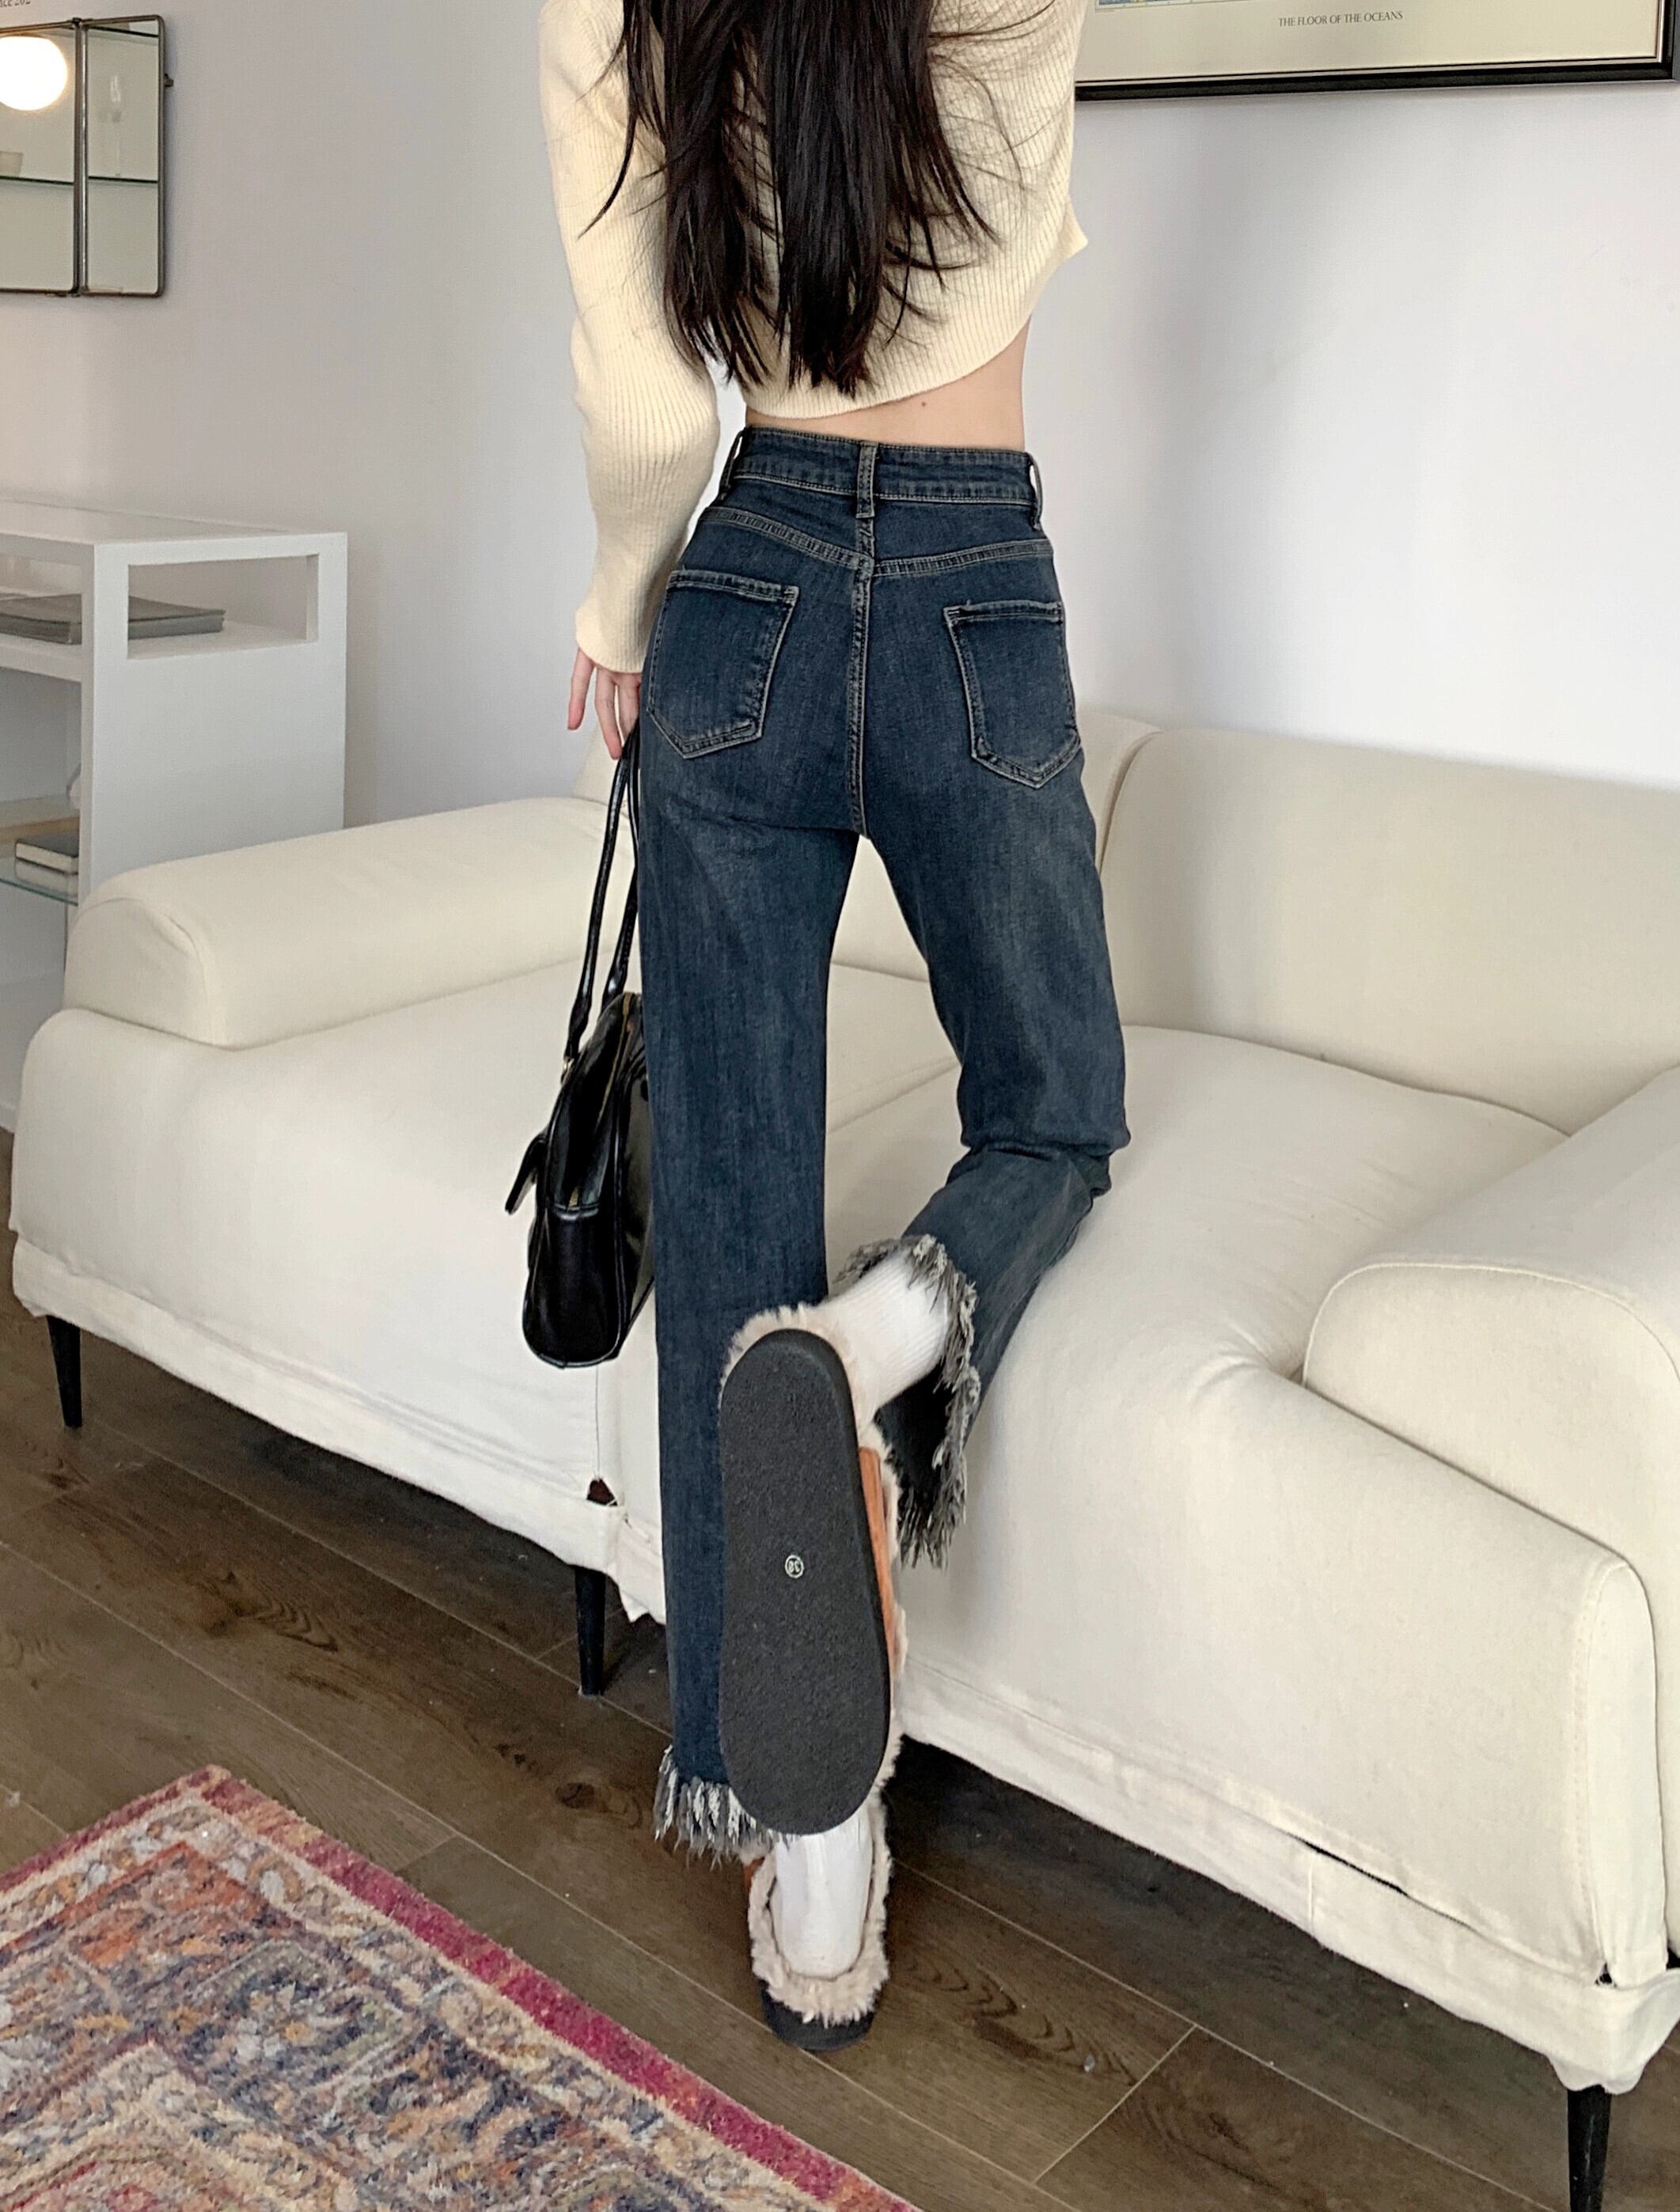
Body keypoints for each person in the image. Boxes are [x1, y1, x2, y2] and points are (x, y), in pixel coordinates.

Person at [538, 0, 1128, 2048]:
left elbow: (641, 389)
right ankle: (876, 1341)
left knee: (726, 1204)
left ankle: (810, 1867)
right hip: (975, 578)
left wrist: (619, 605)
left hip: (746, 585)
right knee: (1052, 1112)